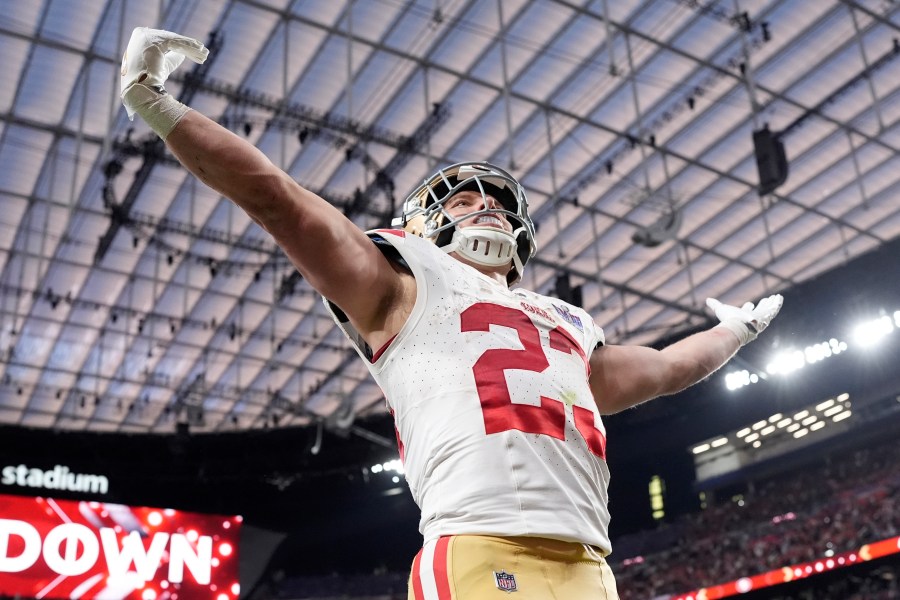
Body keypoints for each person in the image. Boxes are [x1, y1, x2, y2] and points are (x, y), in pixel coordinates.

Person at [119, 28, 783, 599]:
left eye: (493, 201)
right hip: (480, 546)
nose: (485, 207)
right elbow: (278, 199)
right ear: (424, 222)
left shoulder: (566, 323)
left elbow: (666, 367)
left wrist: (734, 331)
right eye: (465, 201)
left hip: (589, 562)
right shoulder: (403, 281)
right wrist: (157, 106)